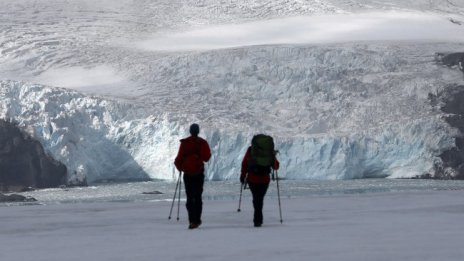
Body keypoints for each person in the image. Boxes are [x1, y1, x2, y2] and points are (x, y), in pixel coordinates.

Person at [174, 123, 211, 229]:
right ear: (198, 131)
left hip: (188, 175)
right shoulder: (202, 143)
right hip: (198, 174)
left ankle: (192, 221)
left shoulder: (185, 143)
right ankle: (197, 220)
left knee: (190, 197)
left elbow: (178, 159)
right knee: (198, 197)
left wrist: (181, 168)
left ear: (190, 131)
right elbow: (207, 158)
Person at [240, 135, 279, 227]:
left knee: (256, 198)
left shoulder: (251, 150)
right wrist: (273, 156)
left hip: (252, 178)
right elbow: (276, 166)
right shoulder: (268, 152)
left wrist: (242, 175)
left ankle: (257, 219)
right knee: (259, 198)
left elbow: (245, 163)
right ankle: (258, 218)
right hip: (265, 179)